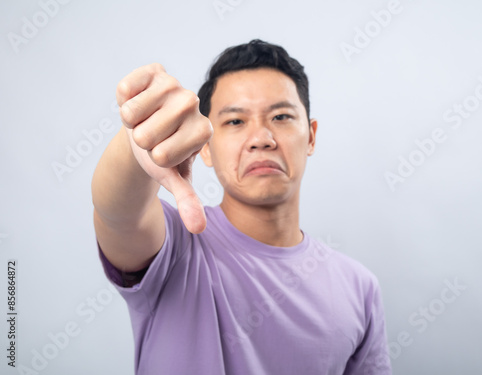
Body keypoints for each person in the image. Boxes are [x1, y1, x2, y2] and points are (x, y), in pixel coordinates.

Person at [91, 39, 392, 375]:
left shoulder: (360, 287)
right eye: (235, 121)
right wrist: (137, 146)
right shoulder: (176, 246)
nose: (261, 138)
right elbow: (118, 213)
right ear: (205, 146)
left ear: (311, 136)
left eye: (281, 116)